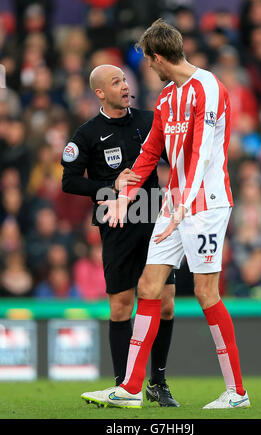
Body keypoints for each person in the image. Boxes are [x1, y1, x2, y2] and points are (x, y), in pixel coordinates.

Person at [81, 19, 250, 410]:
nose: (148, 71)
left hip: (206, 203)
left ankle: (237, 392)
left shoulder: (207, 87)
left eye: (148, 62)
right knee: (149, 287)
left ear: (158, 57)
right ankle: (130, 387)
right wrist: (125, 196)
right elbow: (150, 152)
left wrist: (183, 205)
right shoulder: (168, 98)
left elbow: (203, 153)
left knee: (207, 293)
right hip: (176, 204)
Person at [61, 64, 179, 407]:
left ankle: (157, 382)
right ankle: (122, 385)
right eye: (117, 82)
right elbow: (69, 181)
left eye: (126, 80)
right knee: (121, 307)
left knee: (167, 304)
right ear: (100, 92)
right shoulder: (86, 134)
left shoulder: (149, 120)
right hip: (116, 226)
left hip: (155, 220)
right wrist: (109, 185)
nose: (126, 86)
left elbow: (175, 159)